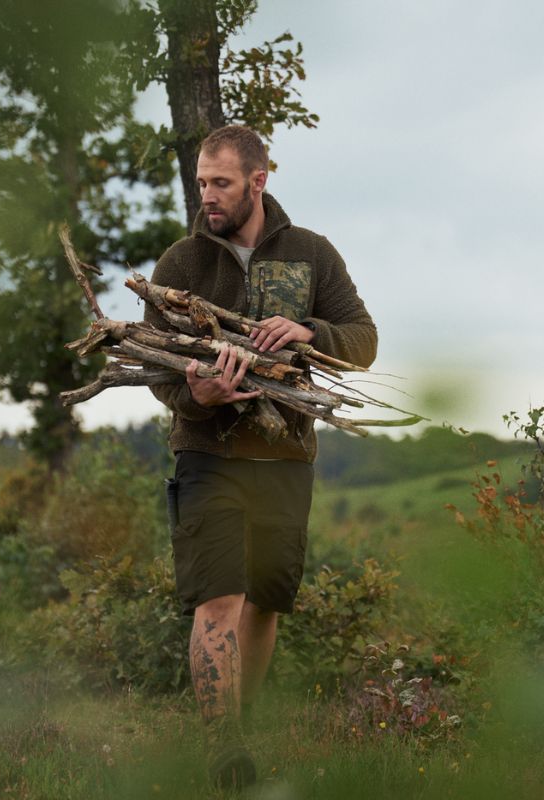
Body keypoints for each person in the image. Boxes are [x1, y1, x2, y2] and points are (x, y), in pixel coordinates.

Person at [146, 125, 378, 789]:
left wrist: (312, 330)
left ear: (259, 180)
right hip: (206, 454)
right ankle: (223, 750)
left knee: (267, 600)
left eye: (221, 182)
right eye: (201, 182)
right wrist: (198, 393)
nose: (207, 195)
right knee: (218, 595)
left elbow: (363, 342)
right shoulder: (182, 264)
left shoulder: (312, 254)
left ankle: (238, 735)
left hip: (285, 458)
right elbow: (161, 373)